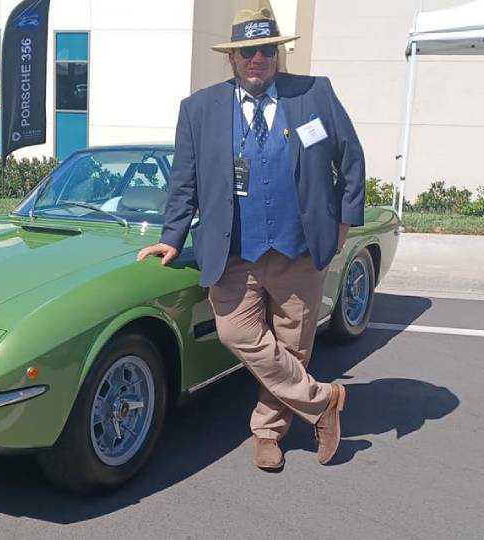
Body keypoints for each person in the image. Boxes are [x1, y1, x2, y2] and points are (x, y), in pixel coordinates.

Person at [136, 7, 365, 471]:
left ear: (278, 53)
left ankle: (268, 433)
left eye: (266, 49)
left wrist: (345, 220)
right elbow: (185, 182)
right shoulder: (199, 109)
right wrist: (173, 236)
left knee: (293, 346)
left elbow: (352, 158)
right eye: (247, 51)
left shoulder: (313, 94)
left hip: (298, 250)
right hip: (235, 251)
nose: (258, 58)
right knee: (235, 332)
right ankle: (323, 402)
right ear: (232, 58)